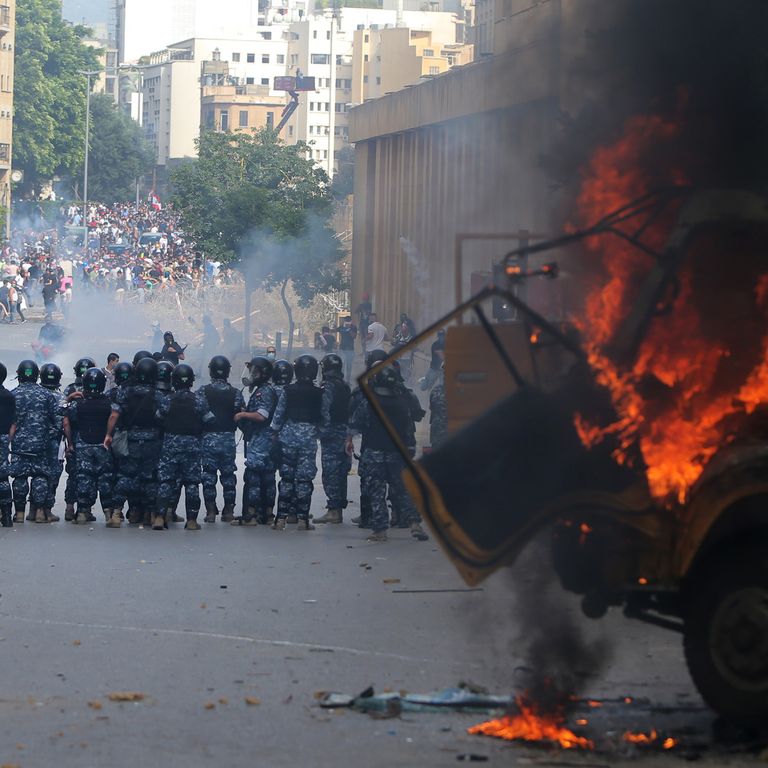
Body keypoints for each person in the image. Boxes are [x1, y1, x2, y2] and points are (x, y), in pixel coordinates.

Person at [346, 366, 428, 542]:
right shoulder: (401, 403)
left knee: (377, 492)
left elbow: (356, 423)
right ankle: (414, 523)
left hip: (374, 453)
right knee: (403, 490)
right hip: (396, 455)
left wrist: (348, 440)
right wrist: (410, 450)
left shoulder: (369, 402)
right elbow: (409, 430)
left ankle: (380, 530)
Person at [105, 357, 166, 526]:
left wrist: (109, 435)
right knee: (151, 477)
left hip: (131, 439)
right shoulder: (158, 395)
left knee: (126, 476)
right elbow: (164, 416)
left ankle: (116, 513)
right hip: (153, 442)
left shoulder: (125, 391)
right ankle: (153, 515)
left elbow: (114, 414)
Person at [154, 364, 214, 531]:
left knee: (166, 482)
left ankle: (159, 517)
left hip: (170, 446)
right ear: (191, 381)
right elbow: (210, 420)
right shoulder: (199, 400)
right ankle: (192, 521)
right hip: (192, 447)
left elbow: (158, 417)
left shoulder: (167, 400)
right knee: (192, 483)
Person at [269, 355, 321, 531]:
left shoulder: (288, 390)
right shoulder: (319, 392)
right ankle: (302, 520)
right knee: (304, 480)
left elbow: (279, 413)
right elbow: (324, 418)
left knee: (287, 478)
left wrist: (274, 432)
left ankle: (280, 519)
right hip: (308, 440)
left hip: (288, 438)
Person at [9, 360, 58, 524]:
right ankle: (38, 512)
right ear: (37, 375)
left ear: (19, 374)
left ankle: (20, 513)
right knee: (40, 477)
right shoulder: (47, 395)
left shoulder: (13, 395)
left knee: (20, 478)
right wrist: (45, 435)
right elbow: (57, 422)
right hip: (41, 446)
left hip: (19, 446)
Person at [63, 368, 114, 525]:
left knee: (84, 478)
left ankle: (83, 513)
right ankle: (109, 514)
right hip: (103, 447)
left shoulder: (77, 405)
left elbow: (64, 417)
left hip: (83, 445)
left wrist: (70, 443)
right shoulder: (109, 404)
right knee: (105, 479)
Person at [199, 355, 244, 523]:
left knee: (209, 476)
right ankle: (229, 511)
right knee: (228, 475)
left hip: (208, 439)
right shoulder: (236, 393)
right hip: (228, 440)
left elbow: (198, 412)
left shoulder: (203, 391)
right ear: (227, 372)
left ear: (210, 371)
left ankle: (210, 511)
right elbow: (240, 417)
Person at [233, 356, 277, 526]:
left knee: (254, 477)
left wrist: (242, 414)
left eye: (253, 371)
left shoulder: (264, 391)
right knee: (266, 477)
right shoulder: (261, 389)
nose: (250, 374)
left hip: (261, 440)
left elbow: (262, 415)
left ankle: (251, 515)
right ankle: (265, 513)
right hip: (263, 440)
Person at [315, 354, 351, 524]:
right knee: (341, 471)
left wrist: (321, 432)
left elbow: (324, 411)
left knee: (331, 473)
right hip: (344, 433)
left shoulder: (327, 386)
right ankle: (338, 509)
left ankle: (334, 510)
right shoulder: (344, 385)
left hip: (331, 434)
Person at [62, 357, 96, 523]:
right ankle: (86, 508)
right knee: (88, 474)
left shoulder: (69, 389)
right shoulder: (96, 391)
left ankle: (70, 507)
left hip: (73, 436)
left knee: (73, 474)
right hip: (90, 436)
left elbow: (61, 412)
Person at [39, 362, 65, 524]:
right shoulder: (60, 397)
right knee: (52, 475)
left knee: (38, 475)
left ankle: (35, 509)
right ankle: (46, 510)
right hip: (54, 443)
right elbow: (64, 422)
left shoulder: (37, 394)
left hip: (35, 442)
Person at [0, 363, 15, 527]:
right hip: (3, 438)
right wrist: (7, 440)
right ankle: (6, 516)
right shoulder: (9, 396)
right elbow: (13, 424)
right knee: (2, 478)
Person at [336, 316, 357, 384]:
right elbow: (335, 330)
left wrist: (349, 329)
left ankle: (348, 380)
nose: (347, 322)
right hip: (342, 348)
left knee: (349, 365)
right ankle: (341, 379)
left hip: (350, 349)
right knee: (342, 364)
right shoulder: (342, 327)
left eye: (348, 321)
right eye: (345, 321)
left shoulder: (353, 327)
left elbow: (354, 336)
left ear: (351, 321)